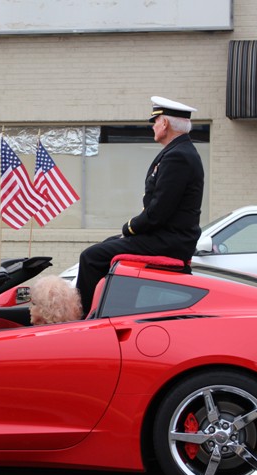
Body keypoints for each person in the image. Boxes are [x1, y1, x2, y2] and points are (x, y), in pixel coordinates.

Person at [75, 96, 205, 314]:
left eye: (155, 121)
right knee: (107, 246)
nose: (153, 126)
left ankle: (81, 319)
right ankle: (112, 311)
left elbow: (157, 213)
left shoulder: (178, 156)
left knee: (91, 257)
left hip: (168, 241)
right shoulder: (180, 151)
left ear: (165, 123)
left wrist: (129, 228)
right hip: (166, 237)